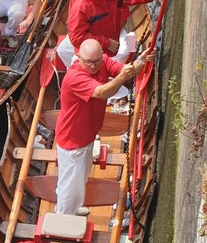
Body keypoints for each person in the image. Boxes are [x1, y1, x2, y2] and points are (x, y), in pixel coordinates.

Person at [54, 40, 153, 216]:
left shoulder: (104, 61)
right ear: (78, 58)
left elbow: (126, 71)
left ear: (101, 57)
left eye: (96, 61)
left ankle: (74, 209)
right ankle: (64, 216)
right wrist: (121, 77)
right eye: (88, 62)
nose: (93, 66)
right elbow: (102, 92)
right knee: (69, 185)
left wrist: (140, 61)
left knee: (81, 178)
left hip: (87, 135)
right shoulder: (75, 77)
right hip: (72, 140)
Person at [58, 0, 168, 67]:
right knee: (61, 51)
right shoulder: (80, 6)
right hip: (93, 55)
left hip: (114, 36)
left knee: (128, 45)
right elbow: (76, 37)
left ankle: (131, 60)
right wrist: (107, 43)